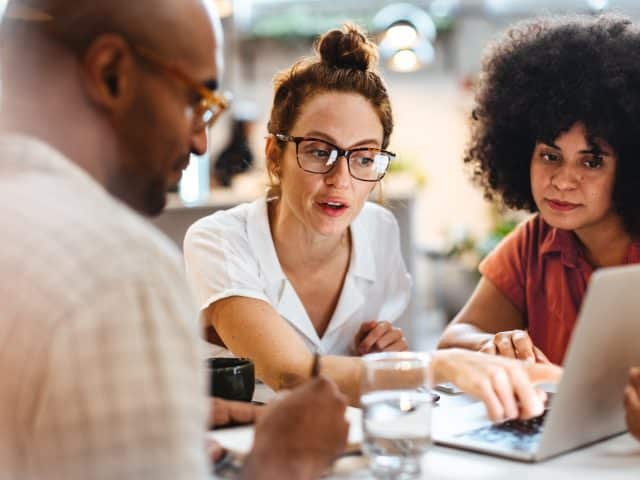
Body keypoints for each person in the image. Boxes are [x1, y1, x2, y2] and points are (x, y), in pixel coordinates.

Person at [0, 1, 348, 479]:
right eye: (196, 101)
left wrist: (155, 427)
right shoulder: (122, 274)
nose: (201, 142)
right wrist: (283, 461)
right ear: (111, 73)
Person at [438, 14, 640, 368]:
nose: (562, 180)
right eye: (550, 155)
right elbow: (454, 340)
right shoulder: (533, 244)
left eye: (591, 162)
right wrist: (493, 345)